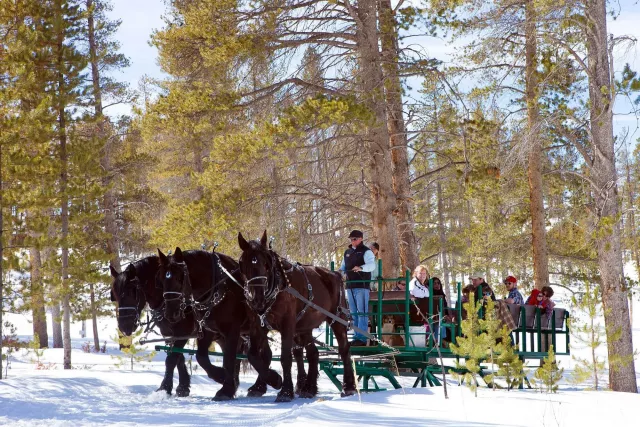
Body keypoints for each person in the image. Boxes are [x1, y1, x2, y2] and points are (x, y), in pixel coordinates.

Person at [340, 230, 375, 346]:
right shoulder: (347, 252)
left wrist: (361, 268)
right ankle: (356, 336)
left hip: (362, 285)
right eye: (351, 239)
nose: (352, 241)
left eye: (354, 239)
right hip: (350, 286)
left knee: (362, 312)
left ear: (361, 239)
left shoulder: (367, 252)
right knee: (354, 313)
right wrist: (339, 273)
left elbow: (371, 265)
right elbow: (343, 267)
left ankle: (362, 338)